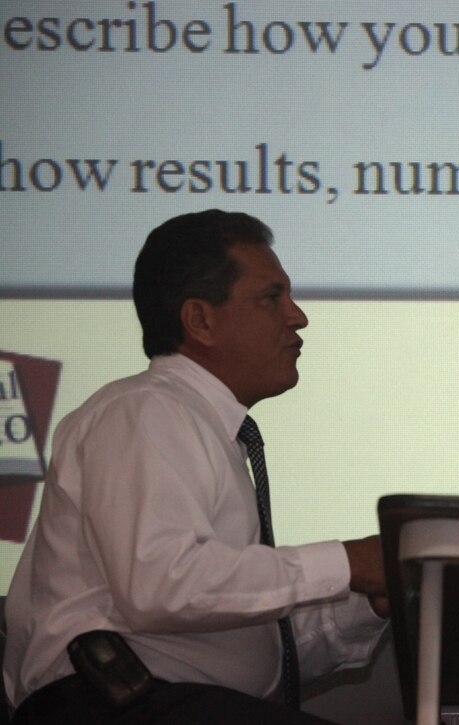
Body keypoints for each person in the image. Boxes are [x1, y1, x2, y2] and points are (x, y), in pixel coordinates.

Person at [3, 210, 389, 724]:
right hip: (110, 707)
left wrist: (372, 602)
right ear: (200, 320)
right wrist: (349, 561)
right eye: (271, 298)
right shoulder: (144, 410)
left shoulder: (205, 428)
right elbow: (162, 584)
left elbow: (254, 651)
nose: (297, 317)